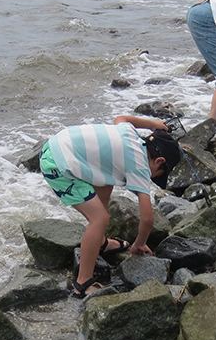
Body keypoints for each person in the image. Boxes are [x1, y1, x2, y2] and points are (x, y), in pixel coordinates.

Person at [40, 115, 183, 298]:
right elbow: (147, 218)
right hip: (57, 166)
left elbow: (121, 118)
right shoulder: (140, 165)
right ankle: (83, 282)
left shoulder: (131, 134)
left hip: (56, 145)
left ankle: (100, 243)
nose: (152, 177)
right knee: (99, 219)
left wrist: (153, 124)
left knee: (107, 177)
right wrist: (139, 244)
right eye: (157, 174)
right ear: (159, 161)